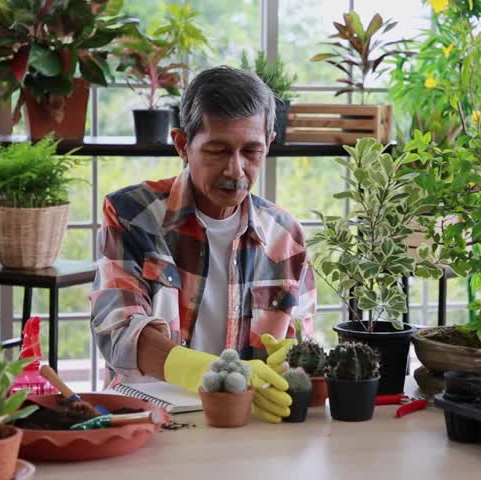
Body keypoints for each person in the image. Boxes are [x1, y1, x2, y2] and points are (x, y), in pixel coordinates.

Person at [91, 66, 317, 423]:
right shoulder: (131, 215)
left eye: (251, 151)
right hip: (150, 421)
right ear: (182, 145)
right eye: (217, 150)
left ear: (269, 144)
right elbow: (118, 330)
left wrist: (292, 365)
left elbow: (301, 350)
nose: (235, 170)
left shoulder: (286, 237)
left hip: (247, 423)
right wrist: (207, 372)